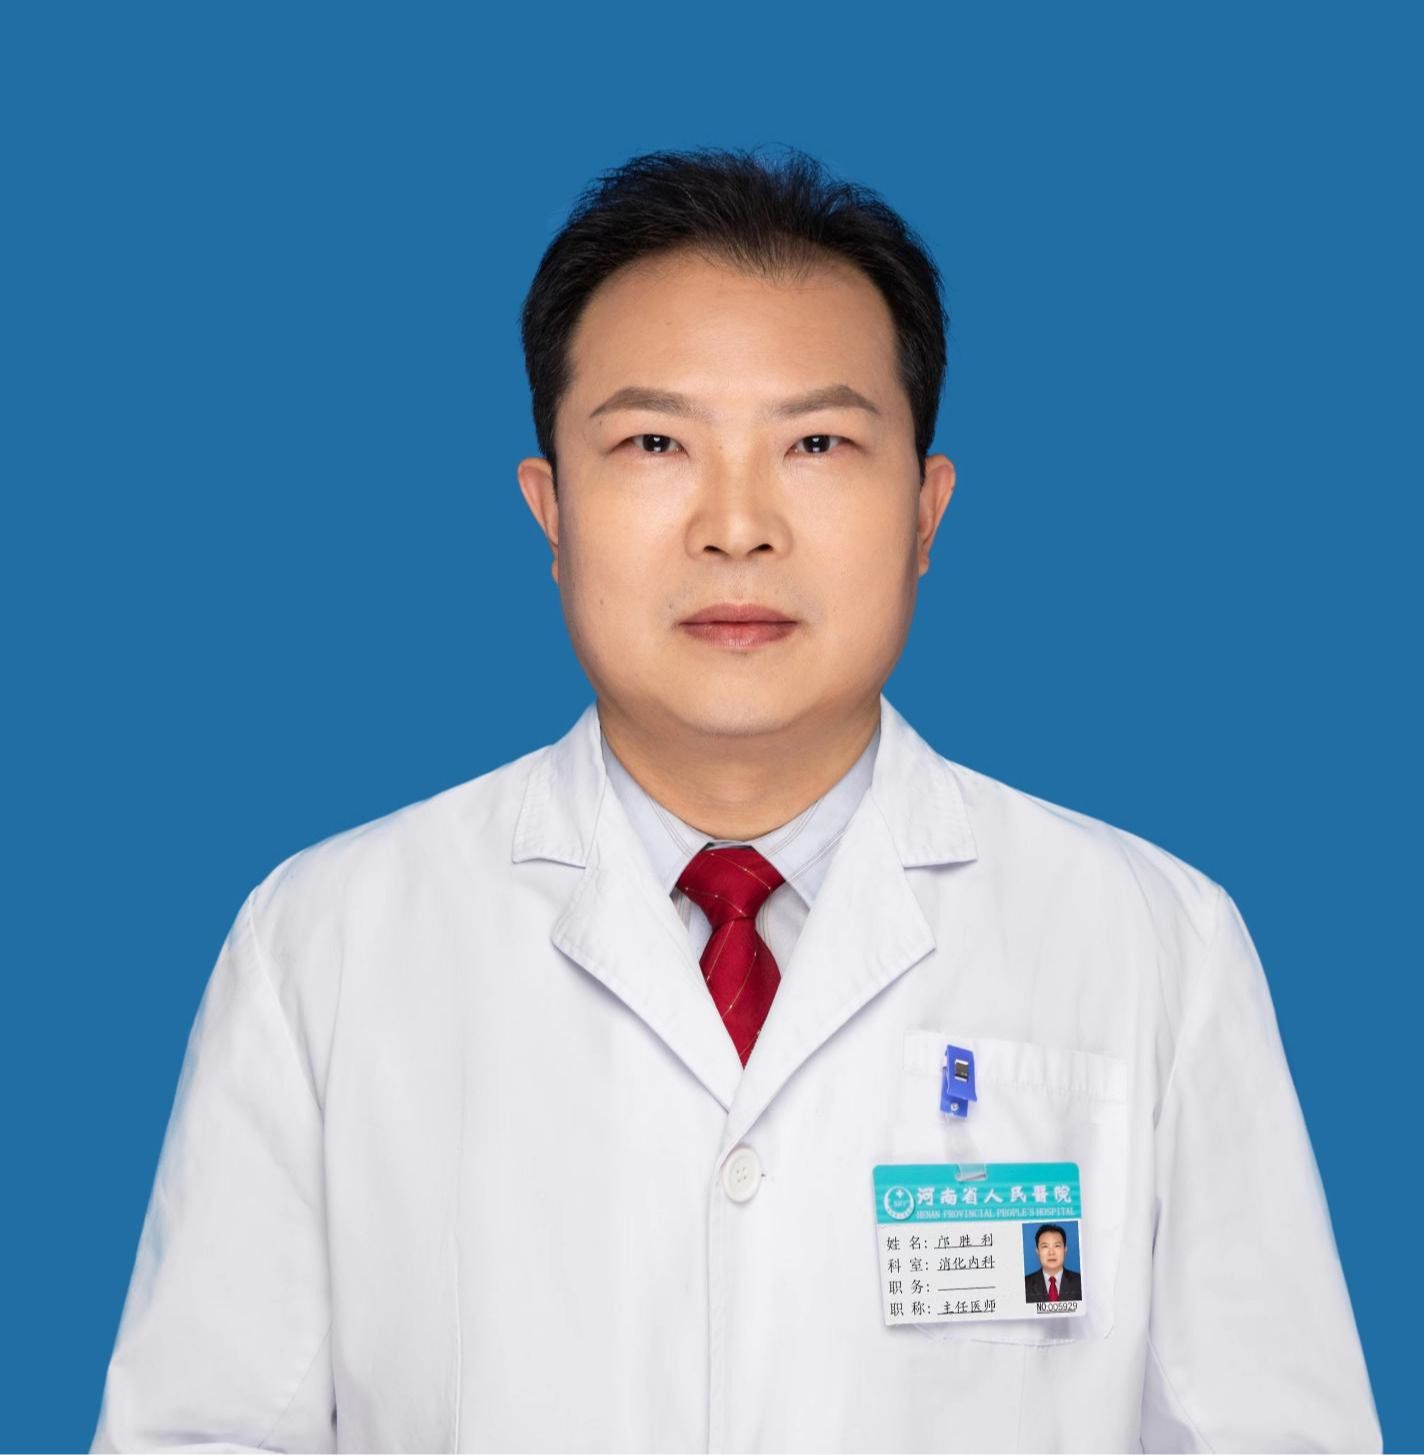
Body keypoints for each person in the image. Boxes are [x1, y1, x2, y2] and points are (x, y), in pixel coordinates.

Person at [90, 146, 1380, 1453]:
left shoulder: (1152, 944)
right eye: (655, 442)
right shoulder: (325, 943)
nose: (737, 524)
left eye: (816, 442)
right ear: (551, 508)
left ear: (925, 509)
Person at [1025, 1224, 1082, 1304]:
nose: (1051, 1252)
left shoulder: (1080, 1282)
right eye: (1045, 1246)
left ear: (1065, 1250)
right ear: (1037, 1251)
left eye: (1057, 1246)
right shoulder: (1025, 1284)